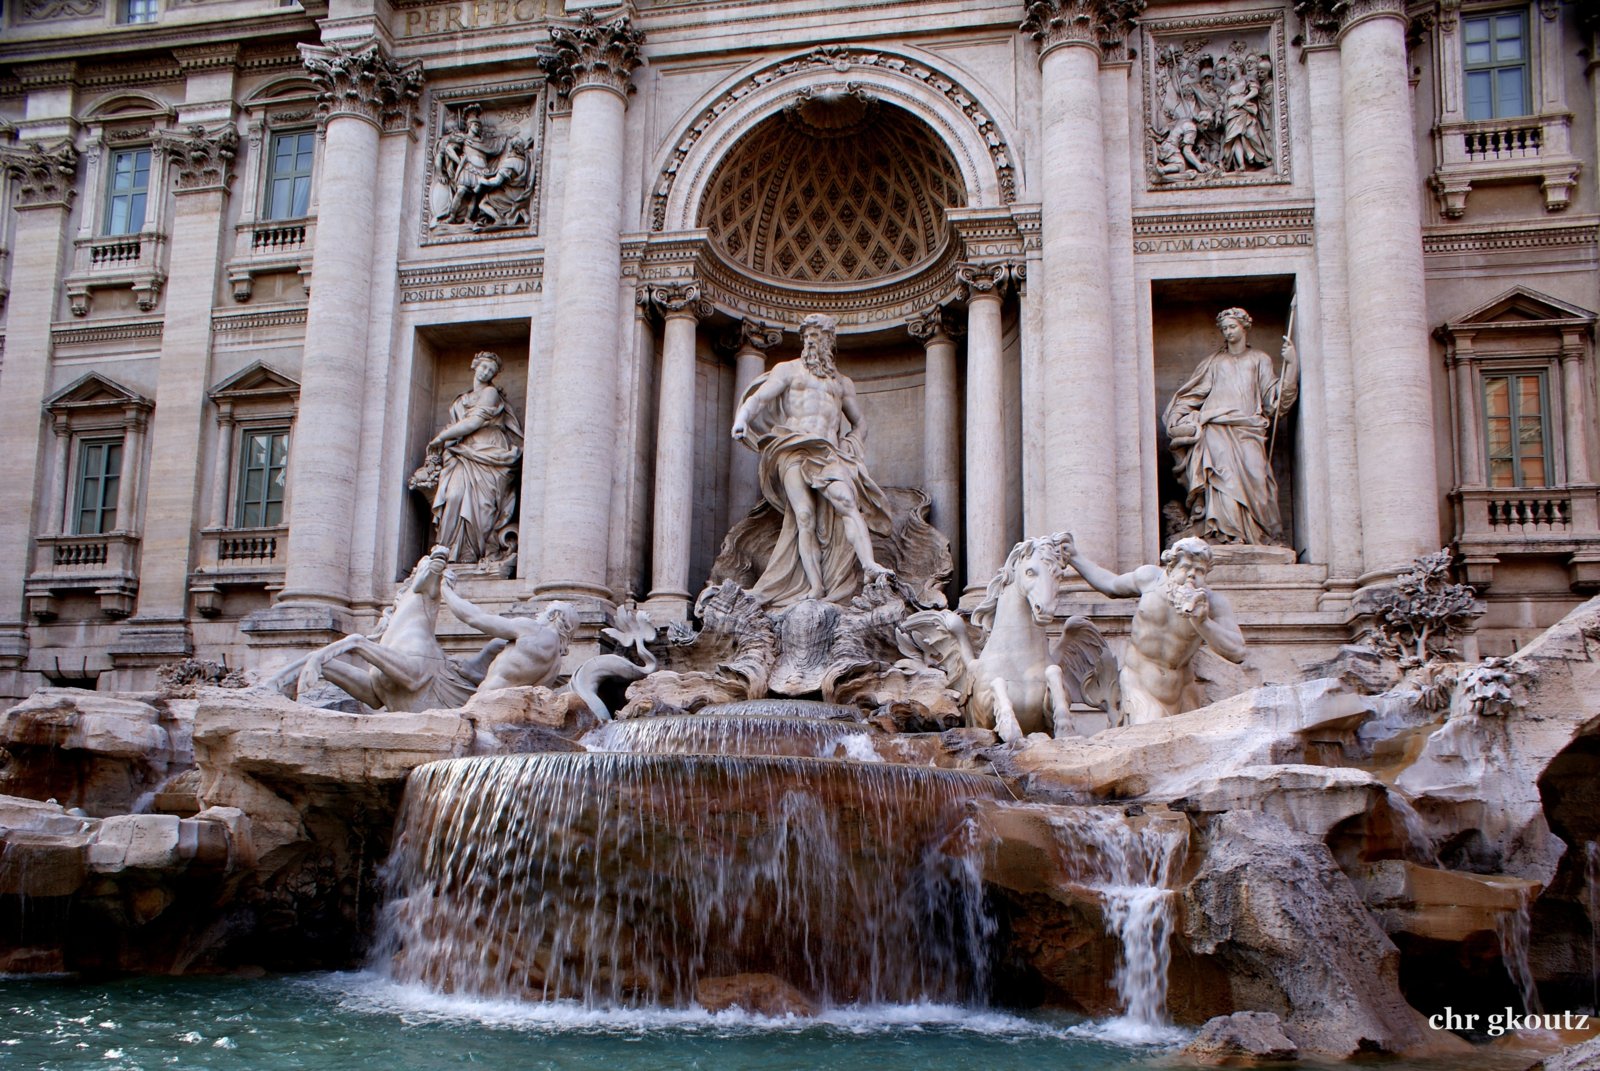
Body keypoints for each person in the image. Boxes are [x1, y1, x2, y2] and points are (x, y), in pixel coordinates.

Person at [730, 312, 893, 607]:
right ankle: (815, 586)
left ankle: (869, 564)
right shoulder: (788, 371)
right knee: (804, 516)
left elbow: (860, 423)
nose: (812, 342)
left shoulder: (842, 384)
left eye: (819, 337)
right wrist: (741, 418)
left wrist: (850, 444)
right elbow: (760, 399)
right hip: (792, 448)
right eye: (808, 337)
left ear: (830, 342)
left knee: (846, 502)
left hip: (828, 452)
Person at [1061, 535, 1246, 724]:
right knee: (1147, 736)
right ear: (1171, 567)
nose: (1192, 575)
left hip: (1181, 691)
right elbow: (1110, 584)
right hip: (1139, 682)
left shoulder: (1213, 603)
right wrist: (1075, 557)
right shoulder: (1149, 579)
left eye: (1199, 571)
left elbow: (1238, 651)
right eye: (1186, 567)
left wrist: (1203, 623)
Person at [1164, 307, 1298, 546]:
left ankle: (1261, 535)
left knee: (1257, 476)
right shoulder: (1214, 363)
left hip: (1249, 428)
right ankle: (1224, 533)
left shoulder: (1260, 359)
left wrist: (1291, 366)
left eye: (1232, 327)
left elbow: (1274, 400)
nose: (1228, 332)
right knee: (1221, 479)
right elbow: (1191, 395)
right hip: (1215, 428)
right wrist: (1178, 416)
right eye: (1224, 328)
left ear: (1244, 327)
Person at [425, 351, 523, 564]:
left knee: (484, 507)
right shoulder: (461, 400)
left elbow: (473, 423)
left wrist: (440, 438)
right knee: (453, 496)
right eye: (484, 367)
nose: (486, 372)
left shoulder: (490, 394)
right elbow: (459, 428)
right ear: (474, 365)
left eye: (491, 370)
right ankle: (449, 552)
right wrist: (445, 448)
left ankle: (472, 554)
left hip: (489, 452)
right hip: (463, 454)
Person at [441, 573, 575, 693]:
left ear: (553, 615)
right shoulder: (555, 664)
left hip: (487, 704)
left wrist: (446, 590)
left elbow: (475, 618)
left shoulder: (534, 630)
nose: (537, 614)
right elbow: (512, 685)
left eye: (544, 611)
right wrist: (472, 675)